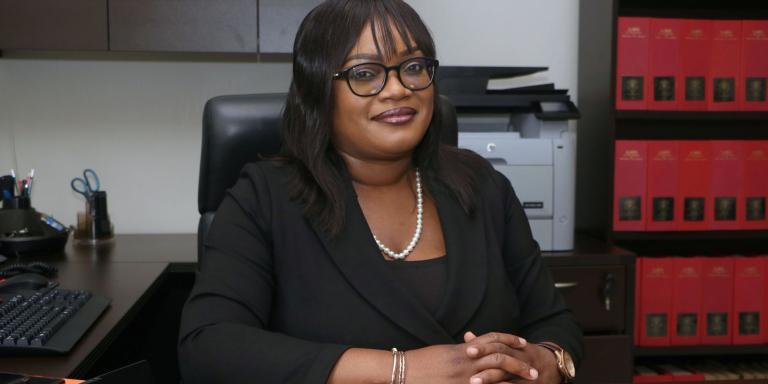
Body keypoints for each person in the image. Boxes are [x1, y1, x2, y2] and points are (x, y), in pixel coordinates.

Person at [178, 0, 583, 383]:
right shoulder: (264, 198)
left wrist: (546, 362)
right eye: (365, 73)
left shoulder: (483, 186)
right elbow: (210, 346)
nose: (398, 89)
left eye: (413, 67)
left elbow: (555, 322)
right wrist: (400, 371)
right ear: (319, 91)